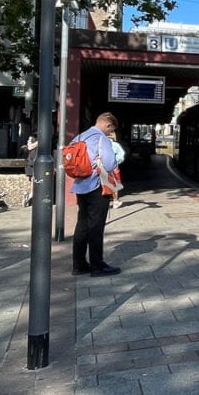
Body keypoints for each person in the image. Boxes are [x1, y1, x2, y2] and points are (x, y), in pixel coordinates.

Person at [70, 112, 121, 276]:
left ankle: (79, 265)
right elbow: (110, 163)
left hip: (80, 185)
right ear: (107, 125)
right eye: (110, 129)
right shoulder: (101, 139)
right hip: (97, 186)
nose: (110, 133)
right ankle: (97, 265)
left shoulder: (79, 137)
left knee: (82, 224)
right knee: (96, 227)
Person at [107, 131, 126, 209]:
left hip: (102, 168)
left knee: (104, 184)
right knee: (115, 185)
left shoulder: (99, 145)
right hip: (114, 168)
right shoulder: (116, 145)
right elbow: (121, 156)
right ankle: (115, 201)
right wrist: (116, 162)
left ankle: (104, 202)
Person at [22, 134, 38, 207]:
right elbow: (29, 147)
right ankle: (31, 195)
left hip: (34, 162)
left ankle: (31, 195)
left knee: (33, 179)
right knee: (32, 179)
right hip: (32, 163)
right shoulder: (32, 141)